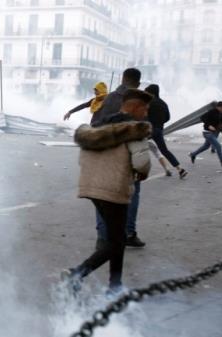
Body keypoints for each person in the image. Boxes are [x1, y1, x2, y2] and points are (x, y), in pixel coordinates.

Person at [63, 89, 152, 294]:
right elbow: (142, 163)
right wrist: (142, 173)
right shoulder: (134, 130)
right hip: (114, 188)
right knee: (117, 241)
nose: (146, 114)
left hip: (91, 186)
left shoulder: (98, 125)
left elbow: (82, 158)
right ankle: (76, 274)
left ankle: (115, 285)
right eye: (145, 109)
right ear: (135, 107)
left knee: (116, 238)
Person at [93, 68, 146, 249]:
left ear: (123, 79)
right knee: (132, 194)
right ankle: (128, 233)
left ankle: (103, 236)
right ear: (138, 83)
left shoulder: (109, 98)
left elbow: (96, 124)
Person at [144, 84, 188, 179]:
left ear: (151, 92)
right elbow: (168, 117)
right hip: (159, 130)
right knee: (164, 151)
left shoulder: (148, 103)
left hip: (148, 130)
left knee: (136, 148)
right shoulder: (163, 103)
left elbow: (143, 115)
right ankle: (180, 169)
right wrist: (159, 123)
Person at [189, 101, 222, 168]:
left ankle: (193, 154)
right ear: (218, 107)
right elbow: (202, 118)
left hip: (213, 132)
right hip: (207, 132)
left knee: (206, 146)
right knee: (219, 146)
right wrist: (209, 125)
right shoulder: (211, 112)